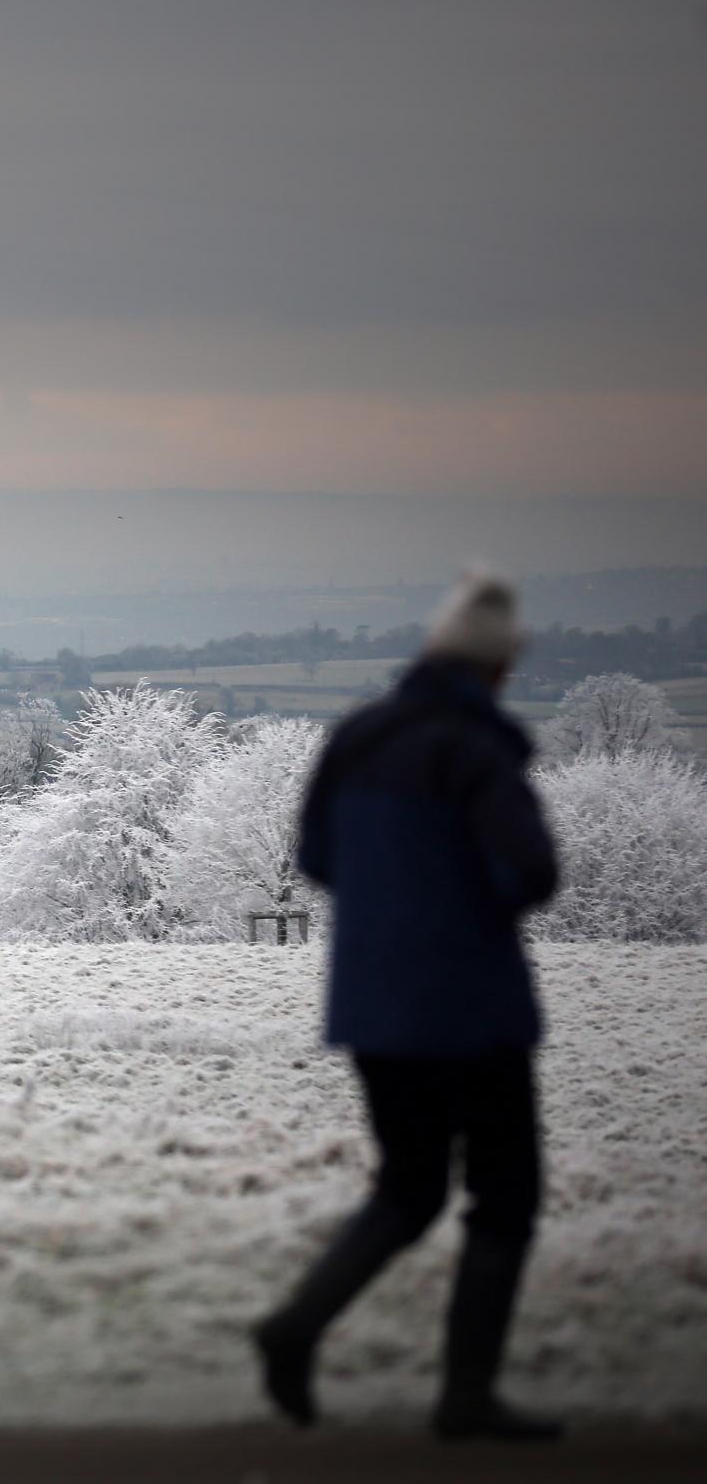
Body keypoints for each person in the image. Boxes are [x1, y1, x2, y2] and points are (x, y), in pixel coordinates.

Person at [254, 571, 563, 1442]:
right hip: (472, 1007)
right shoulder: (478, 747)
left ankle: (296, 1325)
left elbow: (316, 859)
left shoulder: (356, 736)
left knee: (409, 1186)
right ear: (499, 669)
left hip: (375, 1007)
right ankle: (467, 1395)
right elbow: (531, 872)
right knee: (504, 1196)